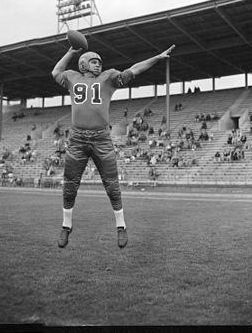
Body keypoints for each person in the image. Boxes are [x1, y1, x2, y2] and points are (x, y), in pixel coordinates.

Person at [52, 43, 175, 249]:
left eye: (100, 62)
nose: (99, 65)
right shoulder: (72, 77)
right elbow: (55, 71)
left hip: (101, 138)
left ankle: (121, 226)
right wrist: (70, 52)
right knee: (70, 184)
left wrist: (156, 57)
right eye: (94, 61)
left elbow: (134, 69)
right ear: (83, 64)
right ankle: (66, 225)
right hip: (77, 139)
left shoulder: (108, 77)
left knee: (112, 185)